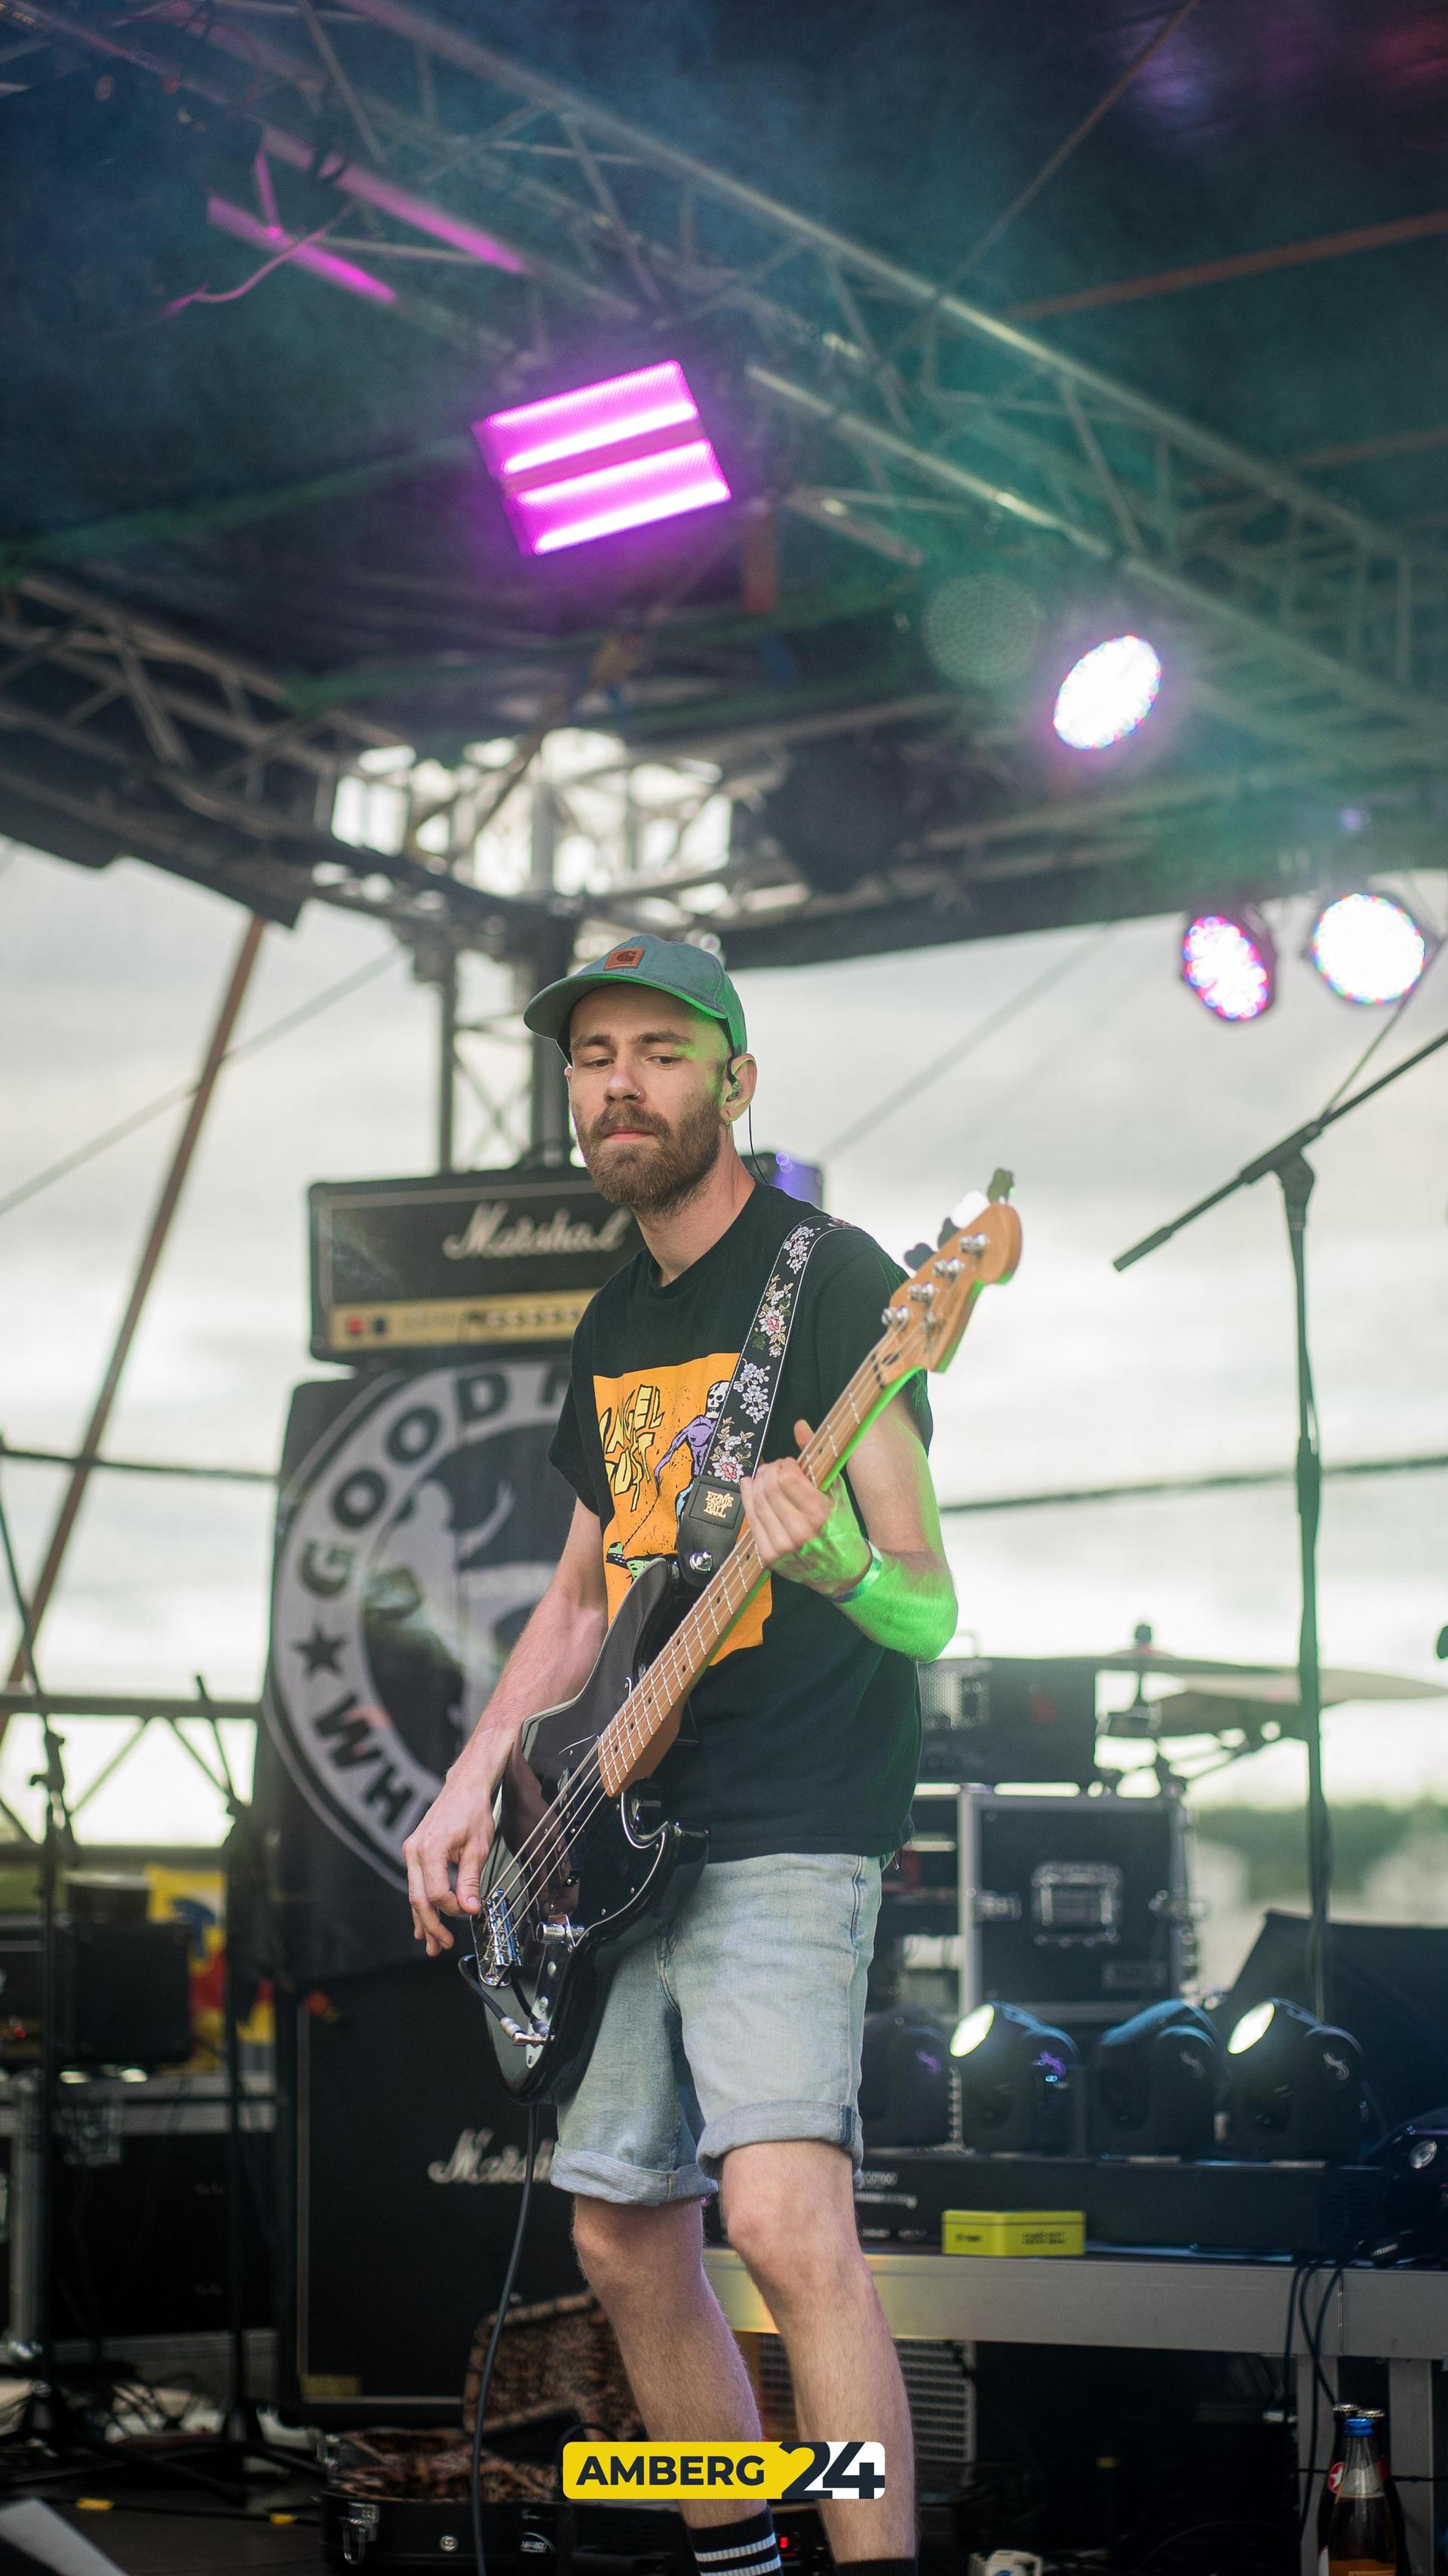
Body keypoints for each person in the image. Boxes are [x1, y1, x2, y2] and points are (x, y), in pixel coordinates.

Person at [405, 935, 957, 2576]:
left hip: (791, 1812)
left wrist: (837, 1565)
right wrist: (468, 1780)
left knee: (785, 2223)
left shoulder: (838, 1279)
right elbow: (581, 1603)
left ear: (736, 1079)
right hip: (621, 1824)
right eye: (592, 1058)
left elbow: (930, 1609)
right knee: (623, 2235)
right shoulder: (609, 1322)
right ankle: (737, 2556)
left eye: (659, 1049)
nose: (620, 1083)